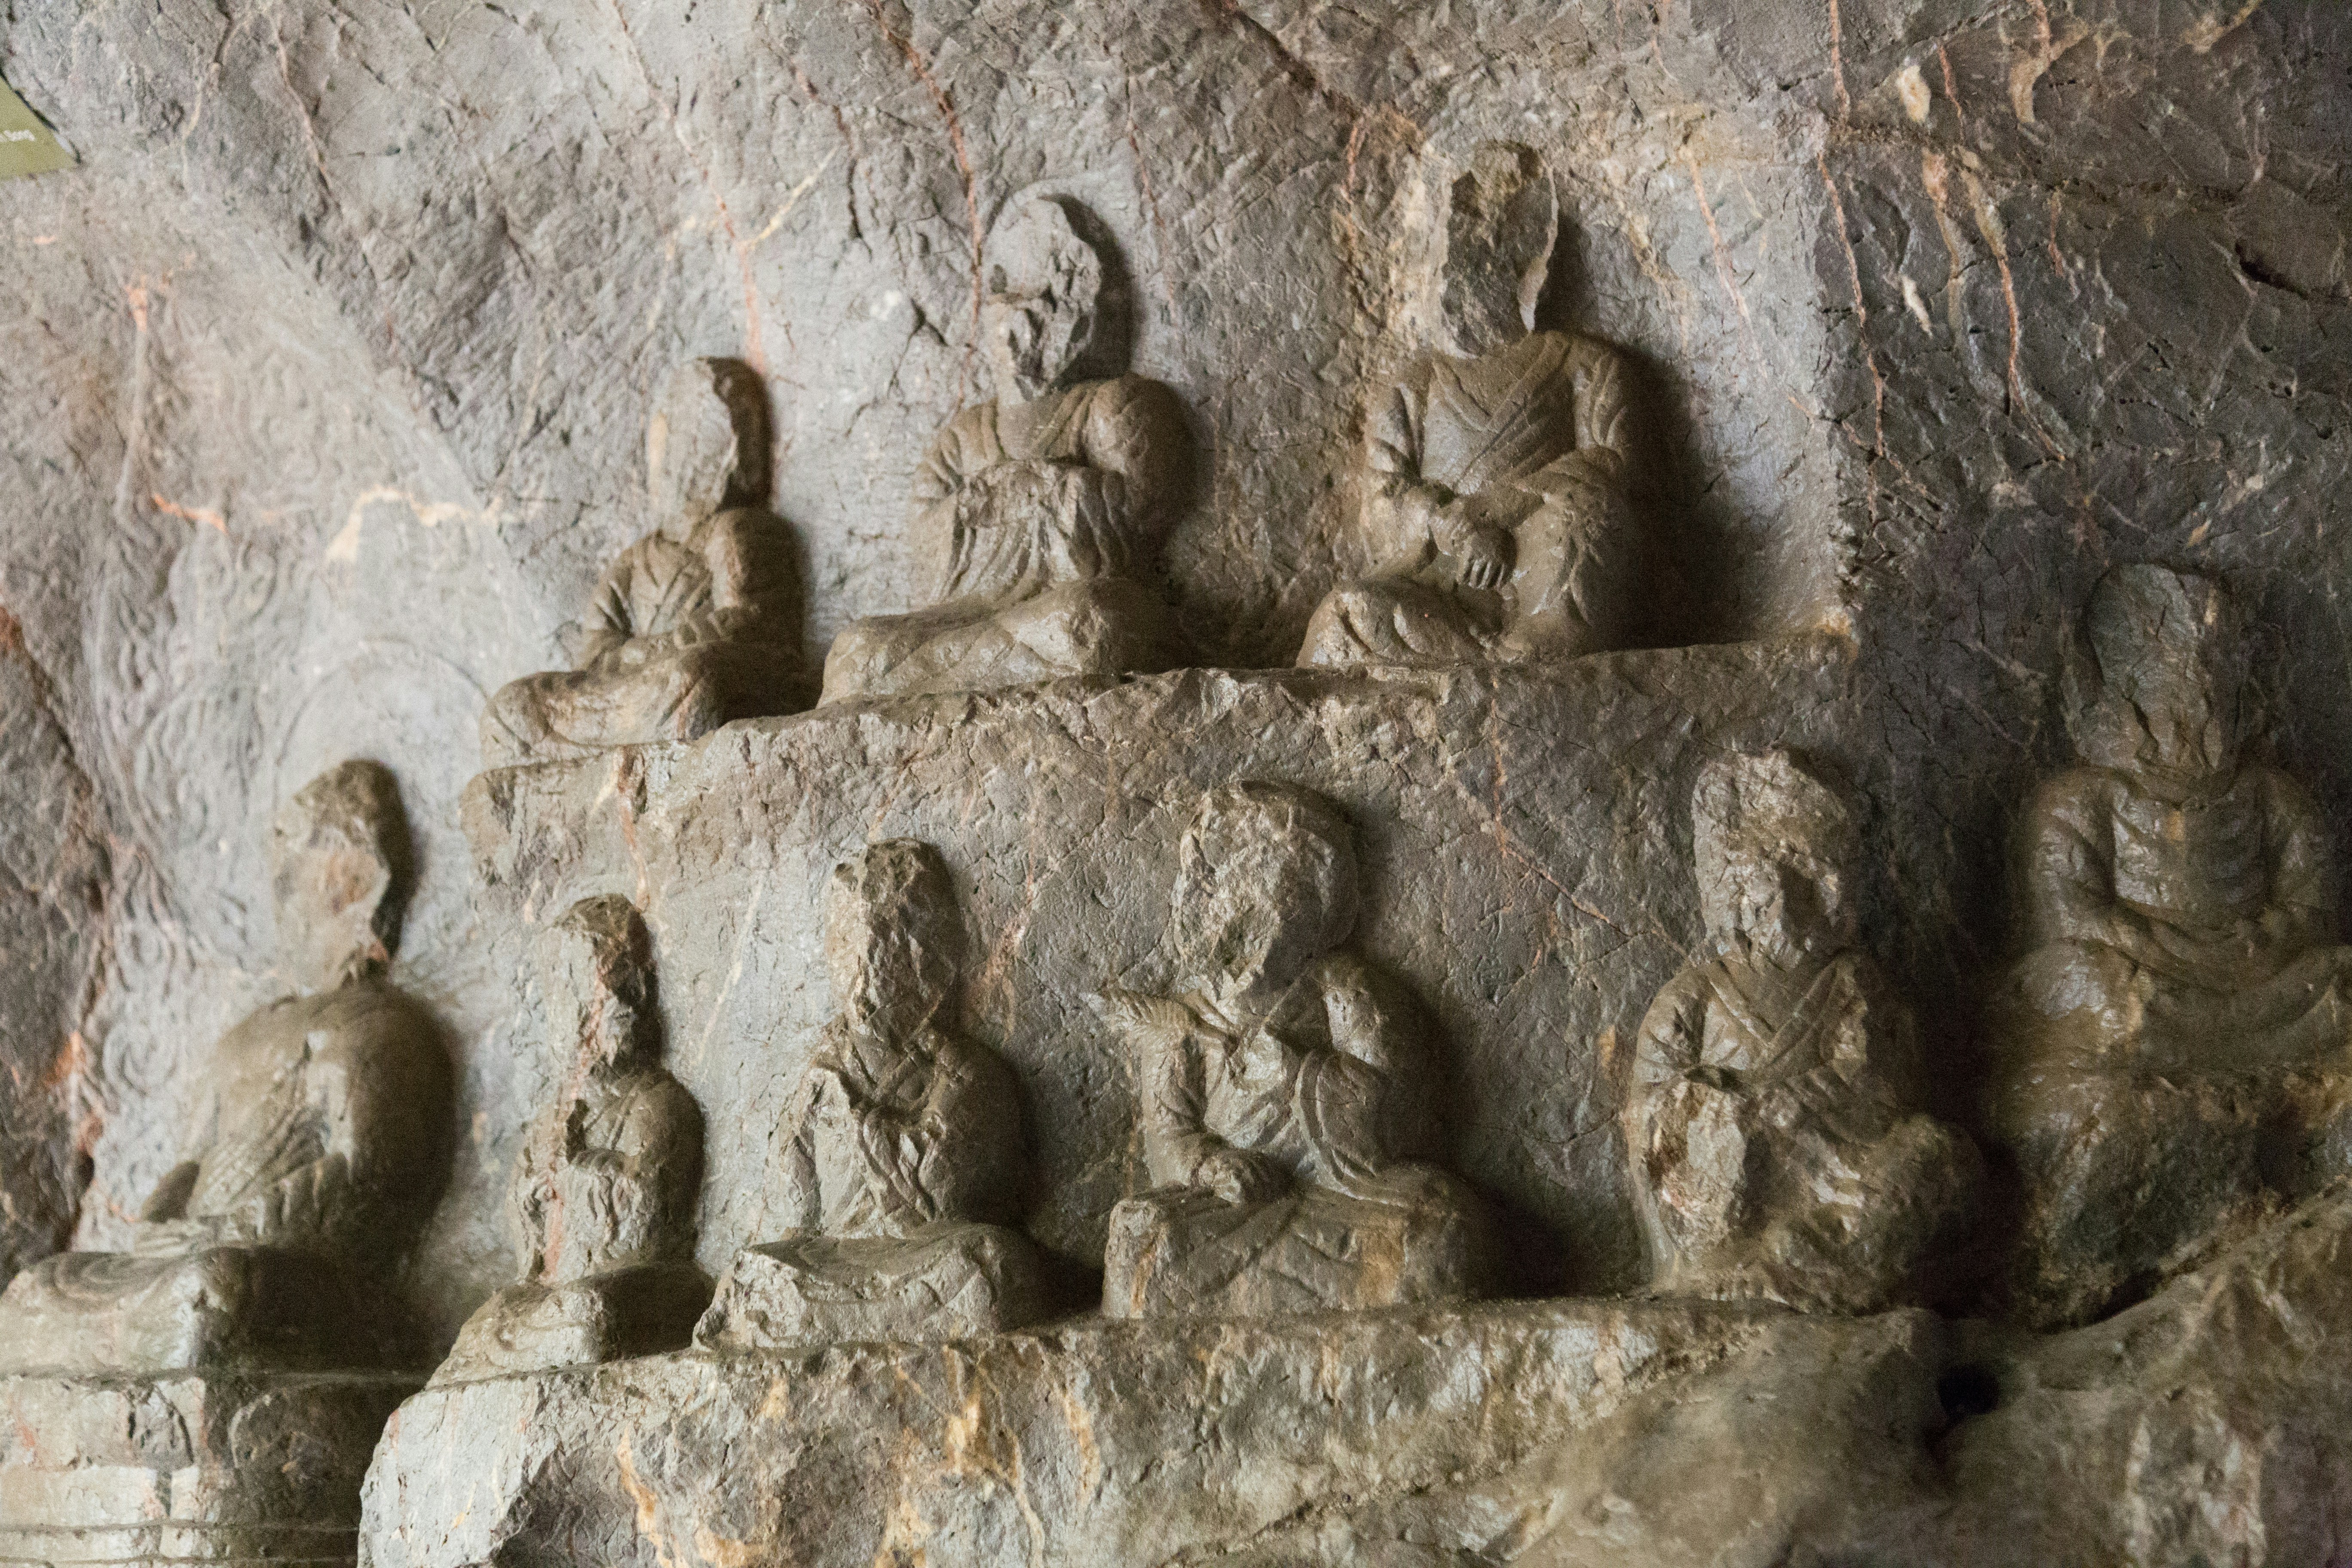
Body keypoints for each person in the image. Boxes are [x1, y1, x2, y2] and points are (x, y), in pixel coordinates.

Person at [0, 762, 450, 1373]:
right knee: (36, 1291)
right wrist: (160, 1228)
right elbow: (190, 1164)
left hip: (294, 1272)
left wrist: (229, 1230)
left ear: (350, 883)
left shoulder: (383, 1028)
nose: (281, 896)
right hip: (185, 1254)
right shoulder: (244, 1038)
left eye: (293, 873)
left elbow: (363, 1174)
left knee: (217, 1290)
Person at [1993, 563, 2352, 1323]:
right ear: (2123, 700)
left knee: (2338, 978)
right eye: (2174, 696)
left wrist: (2256, 944)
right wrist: (2161, 949)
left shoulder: (2272, 796)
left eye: (2215, 691)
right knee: (2095, 990)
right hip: (2146, 985)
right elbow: (2068, 917)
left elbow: (2313, 905)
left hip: (2260, 977)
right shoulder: (2078, 800)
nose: (2197, 716)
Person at [1096, 783, 1486, 1319]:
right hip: (1233, 1207)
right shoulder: (1182, 1024)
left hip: (1338, 1194)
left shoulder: (1343, 990)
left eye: (1287, 900)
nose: (1258, 931)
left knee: (1443, 1221)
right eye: (1238, 900)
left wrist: (1299, 1072)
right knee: (1139, 1237)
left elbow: (1399, 1111)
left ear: (1316, 917)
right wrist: (1214, 1167)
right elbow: (1168, 1140)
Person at [1626, 750, 1979, 1313]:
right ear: (1733, 895)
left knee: (1936, 1157)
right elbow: (1647, 1108)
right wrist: (1715, 1111)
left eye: (1807, 885)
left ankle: (1812, 1254)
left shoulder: (1853, 982)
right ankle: (1751, 1265)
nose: (1783, 912)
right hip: (1731, 1181)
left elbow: (1880, 1077)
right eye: (1766, 892)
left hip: (1834, 1167)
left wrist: (1801, 1102)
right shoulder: (1695, 996)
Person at [819, 196, 1188, 703]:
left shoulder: (1114, 403)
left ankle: (963, 673)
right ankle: (971, 673)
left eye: (1051, 305)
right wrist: (995, 495)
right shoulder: (964, 436)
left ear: (1090, 314)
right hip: (970, 618)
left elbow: (1143, 509)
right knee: (855, 653)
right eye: (1011, 302)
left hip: (1063, 609)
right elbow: (925, 542)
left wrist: (1033, 488)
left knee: (1093, 623)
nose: (1026, 328)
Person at [1296, 142, 1635, 669]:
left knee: (1592, 510)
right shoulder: (1413, 385)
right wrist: (1449, 525)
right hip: (1443, 587)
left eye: (1479, 257)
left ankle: (1535, 645)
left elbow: (1615, 462)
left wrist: (1501, 507)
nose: (1452, 277)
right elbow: (1382, 503)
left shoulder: (1581, 363)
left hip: (1542, 564)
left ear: (1529, 267)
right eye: (1446, 259)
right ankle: (1486, 660)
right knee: (1343, 618)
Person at [695, 842, 1044, 1350]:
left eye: (888, 946)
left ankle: (826, 1322)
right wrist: (822, 1106)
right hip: (834, 1261)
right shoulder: (824, 1075)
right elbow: (797, 1209)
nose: (866, 969)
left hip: (927, 1256)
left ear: (928, 959)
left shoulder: (966, 1070)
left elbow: (943, 1196)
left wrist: (858, 1119)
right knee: (753, 1272)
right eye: (849, 946)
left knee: (990, 1262)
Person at [433, 897, 705, 1381]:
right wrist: (534, 1194)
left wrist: (578, 1171)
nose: (619, 1008)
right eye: (597, 997)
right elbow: (527, 1226)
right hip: (558, 1291)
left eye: (626, 991)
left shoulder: (658, 1102)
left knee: (592, 1313)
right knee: (489, 1323)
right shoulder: (552, 1119)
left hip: (635, 1282)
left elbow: (647, 1213)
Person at [480, 358, 803, 765]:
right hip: (629, 695)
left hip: (708, 680)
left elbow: (749, 624)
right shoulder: (636, 559)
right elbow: (595, 649)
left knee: (692, 678)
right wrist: (639, 659)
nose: (669, 470)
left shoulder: (737, 530)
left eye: (683, 452)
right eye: (665, 457)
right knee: (510, 707)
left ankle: (641, 740)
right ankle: (618, 746)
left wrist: (653, 653)